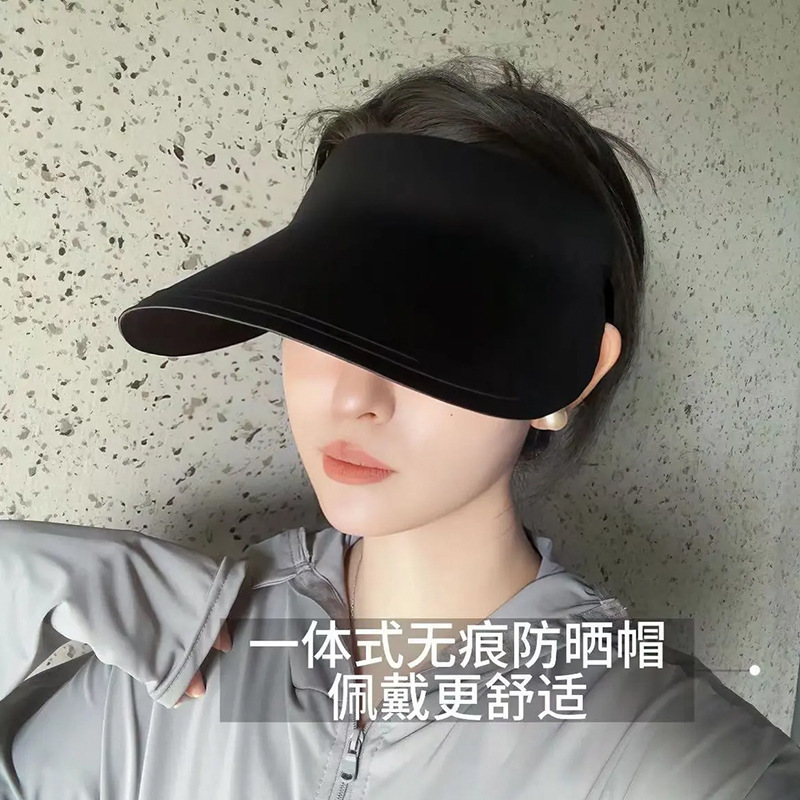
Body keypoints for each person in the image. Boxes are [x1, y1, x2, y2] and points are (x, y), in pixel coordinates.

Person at [1, 55, 798, 800]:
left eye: (435, 335)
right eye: (320, 316)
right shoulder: (175, 663)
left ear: (573, 375)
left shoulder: (671, 751)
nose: (355, 397)